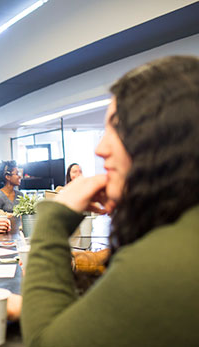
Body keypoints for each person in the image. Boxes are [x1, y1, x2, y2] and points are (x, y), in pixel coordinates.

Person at [18, 56, 199, 346]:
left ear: (165, 137)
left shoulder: (161, 265)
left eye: (118, 127)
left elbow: (45, 342)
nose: (101, 148)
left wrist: (55, 216)